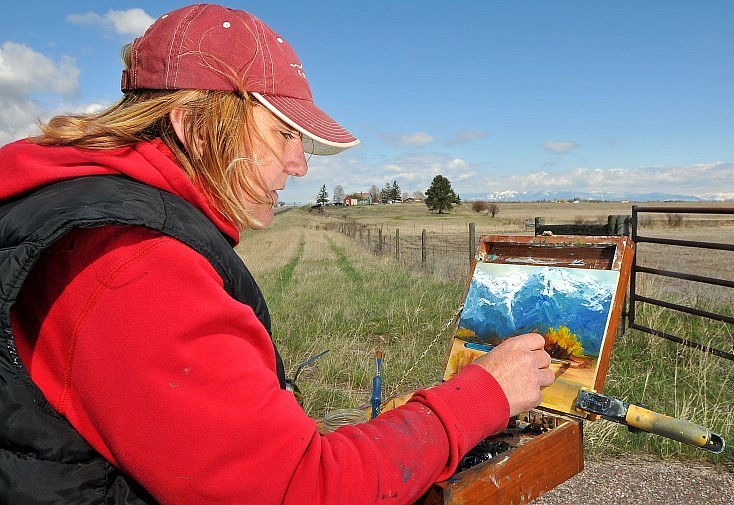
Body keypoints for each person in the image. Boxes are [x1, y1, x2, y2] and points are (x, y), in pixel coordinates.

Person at [0, 4, 555, 504]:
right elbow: (302, 491)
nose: (300, 165)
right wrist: (478, 397)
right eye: (281, 134)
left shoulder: (84, 215)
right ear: (196, 126)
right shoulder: (131, 262)